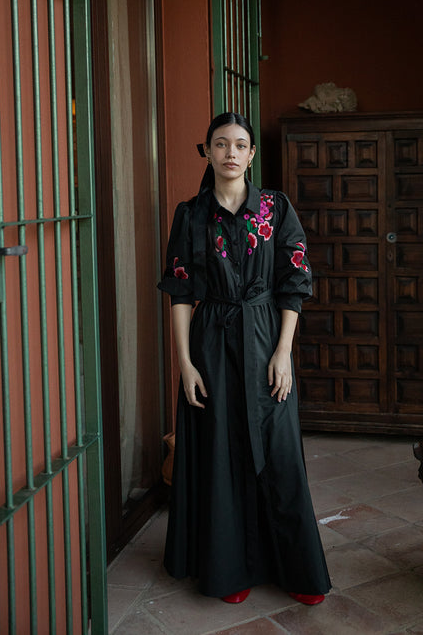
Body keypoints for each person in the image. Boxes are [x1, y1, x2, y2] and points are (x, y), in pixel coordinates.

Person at [158, 111, 331, 605]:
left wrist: (283, 353)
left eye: (240, 145)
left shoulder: (276, 208)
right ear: (206, 152)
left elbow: (294, 285)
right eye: (220, 144)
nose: (230, 153)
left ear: (251, 154)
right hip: (210, 343)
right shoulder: (190, 215)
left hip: (265, 338)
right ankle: (228, 569)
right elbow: (180, 292)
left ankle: (297, 571)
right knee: (222, 453)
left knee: (279, 455)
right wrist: (185, 363)